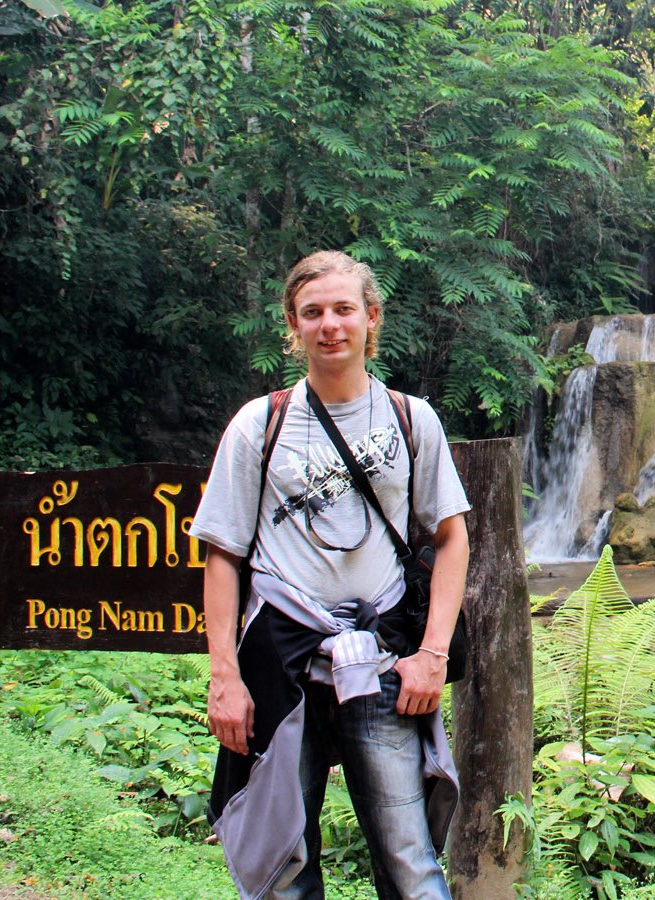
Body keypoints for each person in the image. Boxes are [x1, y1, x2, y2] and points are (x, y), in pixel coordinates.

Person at [189, 250, 470, 900]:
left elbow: (452, 539)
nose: (330, 325)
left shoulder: (411, 419)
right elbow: (223, 555)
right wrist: (224, 678)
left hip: (380, 663)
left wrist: (432, 655)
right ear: (293, 326)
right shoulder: (259, 427)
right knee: (282, 866)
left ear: (371, 318)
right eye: (313, 313)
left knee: (410, 861)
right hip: (276, 668)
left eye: (344, 309)